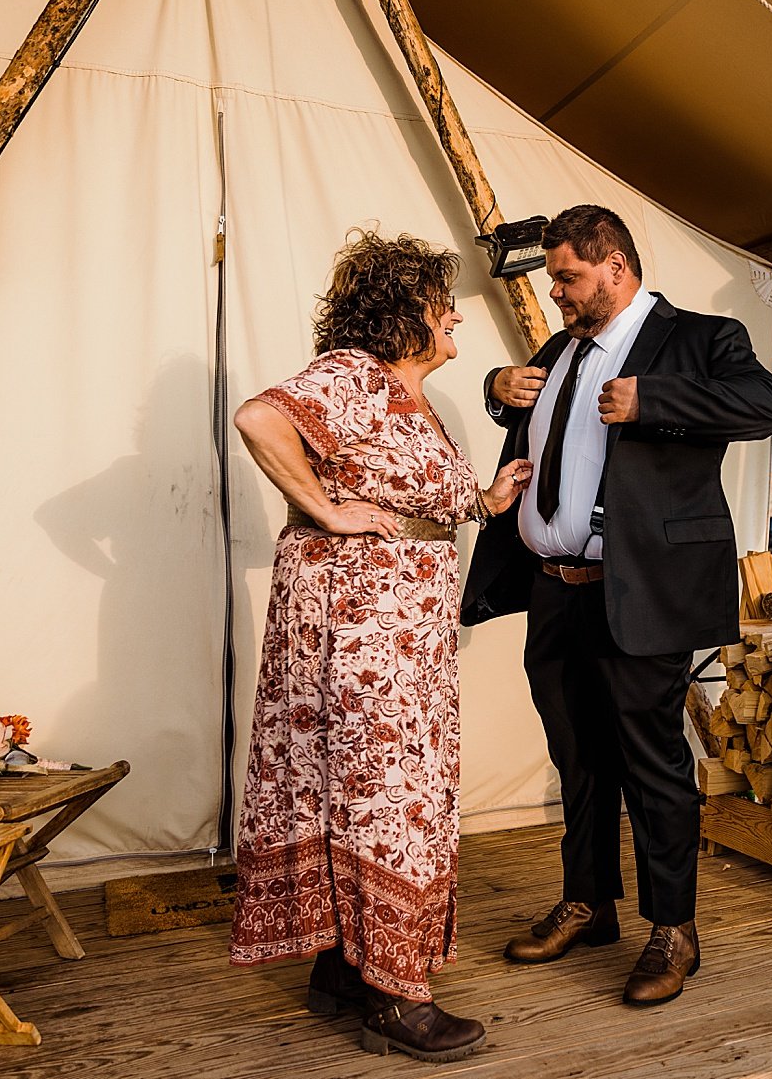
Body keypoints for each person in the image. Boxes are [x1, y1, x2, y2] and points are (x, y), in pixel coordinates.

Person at [463, 204, 772, 1005]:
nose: (557, 293)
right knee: (577, 757)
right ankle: (590, 902)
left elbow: (766, 406)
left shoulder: (701, 340)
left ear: (614, 265)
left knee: (653, 766)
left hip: (640, 593)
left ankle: (675, 929)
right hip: (554, 594)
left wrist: (655, 401)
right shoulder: (561, 347)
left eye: (567, 277)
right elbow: (536, 419)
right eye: (553, 279)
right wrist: (495, 389)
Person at [229, 230, 531, 1064]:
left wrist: (484, 498)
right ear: (406, 315)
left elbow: (404, 489)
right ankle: (398, 998)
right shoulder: (354, 374)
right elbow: (260, 419)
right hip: (361, 629)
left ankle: (343, 968)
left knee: (363, 785)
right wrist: (325, 513)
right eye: (443, 304)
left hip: (396, 632)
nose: (456, 316)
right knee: (385, 792)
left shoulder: (403, 395)